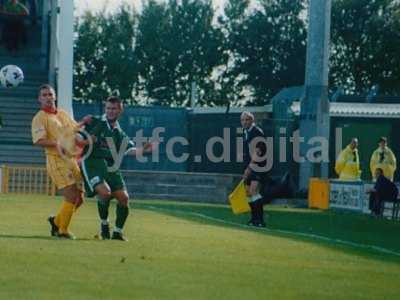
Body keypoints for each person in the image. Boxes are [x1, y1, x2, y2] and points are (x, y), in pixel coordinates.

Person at [81, 96, 154, 241]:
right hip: (92, 163)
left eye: (114, 108)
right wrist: (83, 138)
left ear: (120, 110)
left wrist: (144, 150)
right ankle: (104, 226)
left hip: (111, 166)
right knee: (105, 193)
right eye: (108, 108)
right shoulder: (94, 121)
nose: (110, 111)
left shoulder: (119, 132)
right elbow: (77, 134)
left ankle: (117, 232)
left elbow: (130, 150)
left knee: (124, 198)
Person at [31, 84, 90, 239]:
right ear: (39, 99)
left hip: (71, 160)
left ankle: (56, 222)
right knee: (71, 194)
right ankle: (62, 231)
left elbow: (73, 130)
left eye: (50, 94)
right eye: (44, 95)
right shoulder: (40, 118)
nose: (48, 97)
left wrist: (83, 124)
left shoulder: (62, 114)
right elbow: (39, 140)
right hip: (56, 161)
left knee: (80, 199)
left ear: (55, 96)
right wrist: (57, 144)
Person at [240, 111, 292, 227]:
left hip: (258, 167)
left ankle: (260, 220)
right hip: (251, 166)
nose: (244, 122)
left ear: (252, 121)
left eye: (247, 120)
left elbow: (257, 152)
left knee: (254, 191)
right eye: (242, 120)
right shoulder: (246, 132)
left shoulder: (256, 132)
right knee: (249, 193)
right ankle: (254, 219)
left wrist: (249, 167)